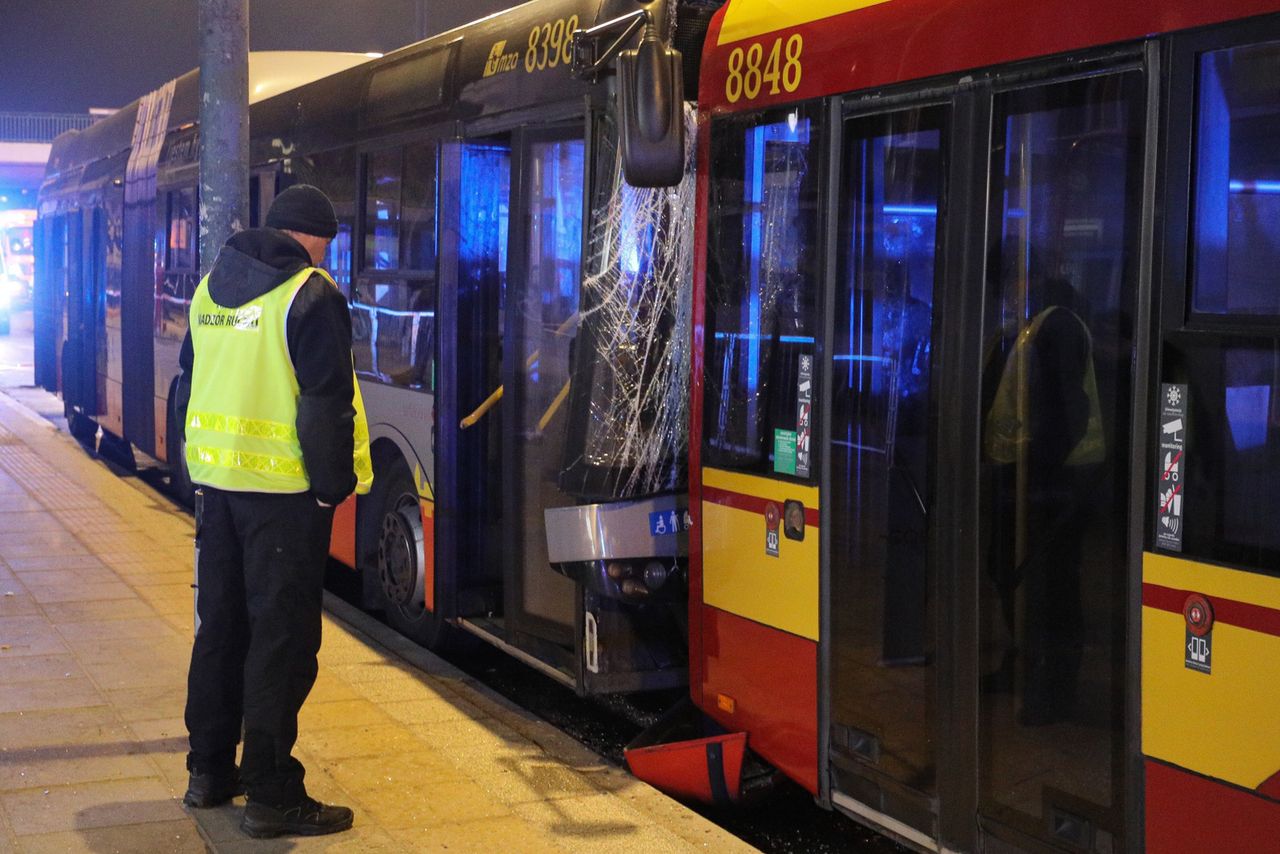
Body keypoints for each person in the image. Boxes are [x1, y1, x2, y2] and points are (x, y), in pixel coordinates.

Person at [178, 184, 373, 837]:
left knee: (221, 628)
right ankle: (272, 792)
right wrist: (330, 487)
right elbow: (326, 401)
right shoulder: (310, 293)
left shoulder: (211, 287)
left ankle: (208, 771)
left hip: (219, 488)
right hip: (285, 498)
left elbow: (187, 383)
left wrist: (195, 471)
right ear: (315, 237)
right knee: (281, 641)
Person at [982, 260, 1104, 726]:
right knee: (1010, 572)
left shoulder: (1057, 326)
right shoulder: (1030, 327)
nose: (1006, 295)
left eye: (1009, 284)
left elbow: (1068, 413)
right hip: (1026, 477)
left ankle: (1053, 690)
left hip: (1053, 483)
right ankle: (1024, 666)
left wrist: (1036, 476)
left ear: (1026, 280)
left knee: (1052, 589)